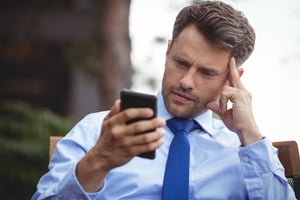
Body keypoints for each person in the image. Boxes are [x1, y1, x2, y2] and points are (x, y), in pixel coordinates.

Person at [32, 1, 296, 199]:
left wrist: (249, 134)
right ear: (168, 51)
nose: (186, 81)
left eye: (206, 72)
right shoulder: (99, 131)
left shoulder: (247, 153)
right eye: (181, 62)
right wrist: (98, 161)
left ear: (232, 78)